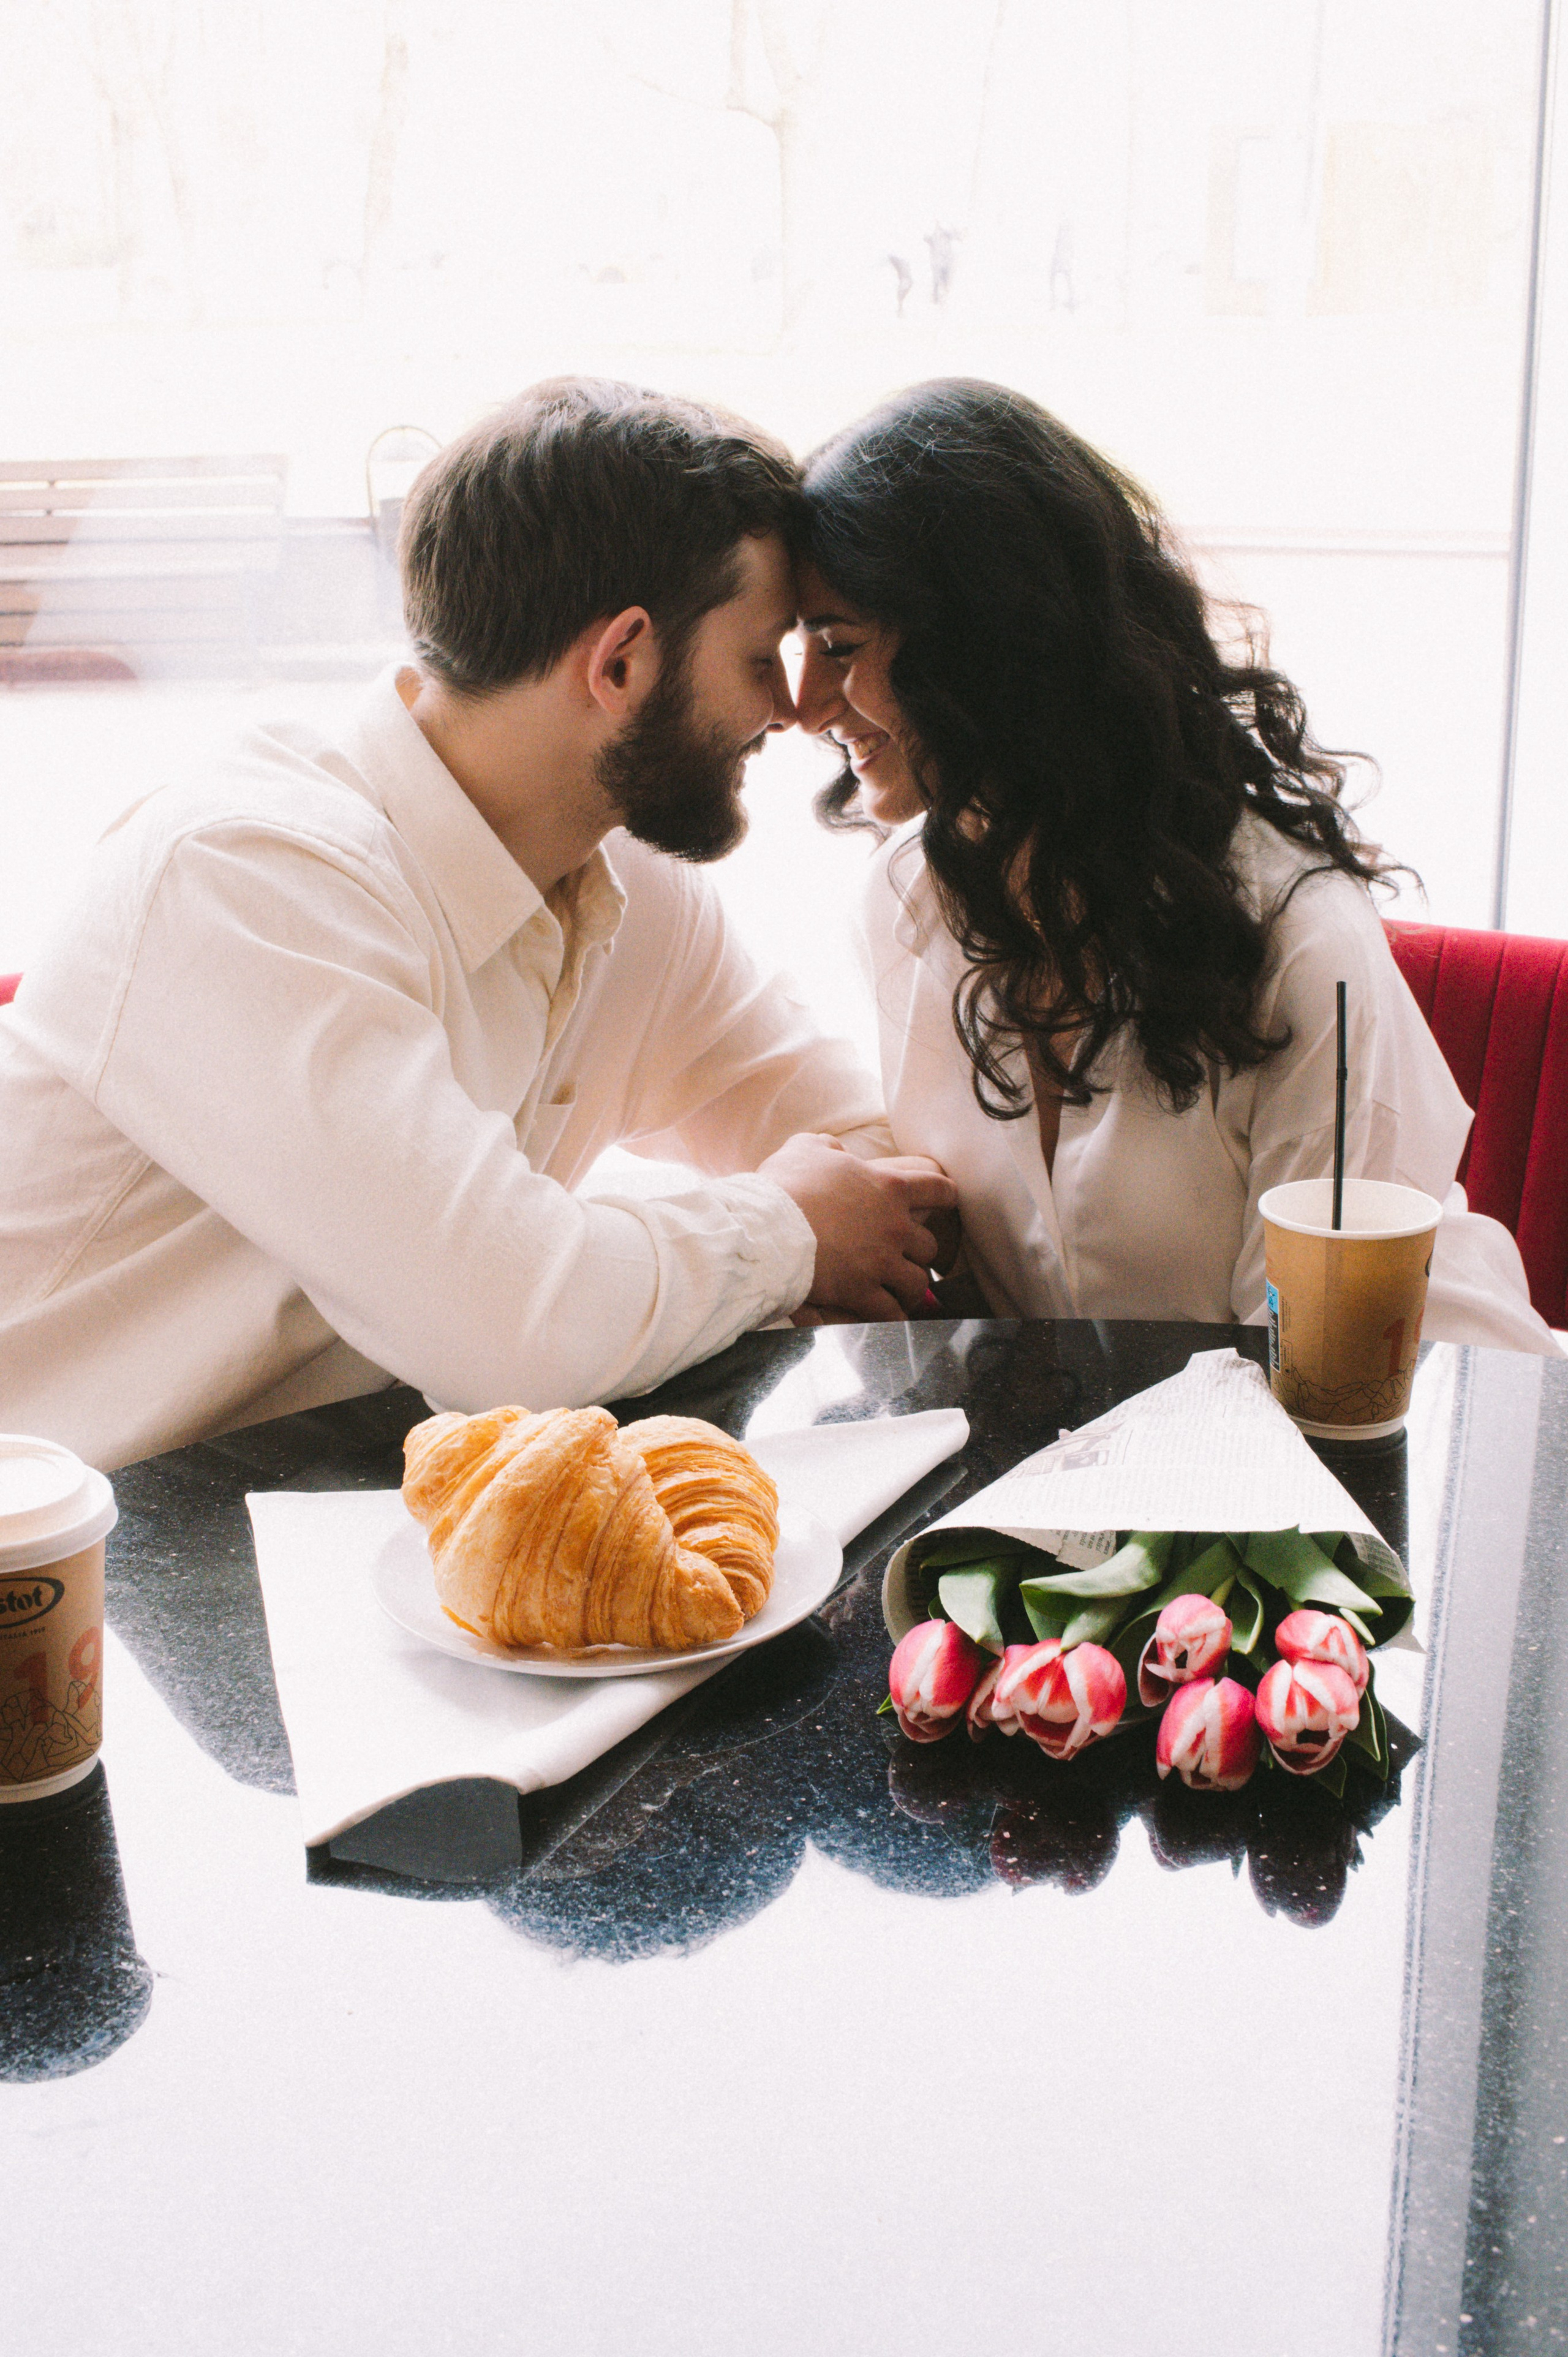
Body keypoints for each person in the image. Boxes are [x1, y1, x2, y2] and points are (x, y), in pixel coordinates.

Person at [0, 379, 956, 1472]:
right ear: (623, 662)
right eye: (760, 658)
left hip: (306, 1514)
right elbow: (516, 1328)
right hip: (58, 1566)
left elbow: (859, 1155)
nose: (790, 713)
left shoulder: (619, 878)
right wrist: (785, 1234)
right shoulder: (245, 874)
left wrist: (846, 1213)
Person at [793, 377, 1555, 1353]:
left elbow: (1305, 1371)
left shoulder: (1299, 941)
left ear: (987, 642)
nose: (806, 703)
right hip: (1106, 1466)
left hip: (1403, 1446)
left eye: (839, 645)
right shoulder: (908, 902)